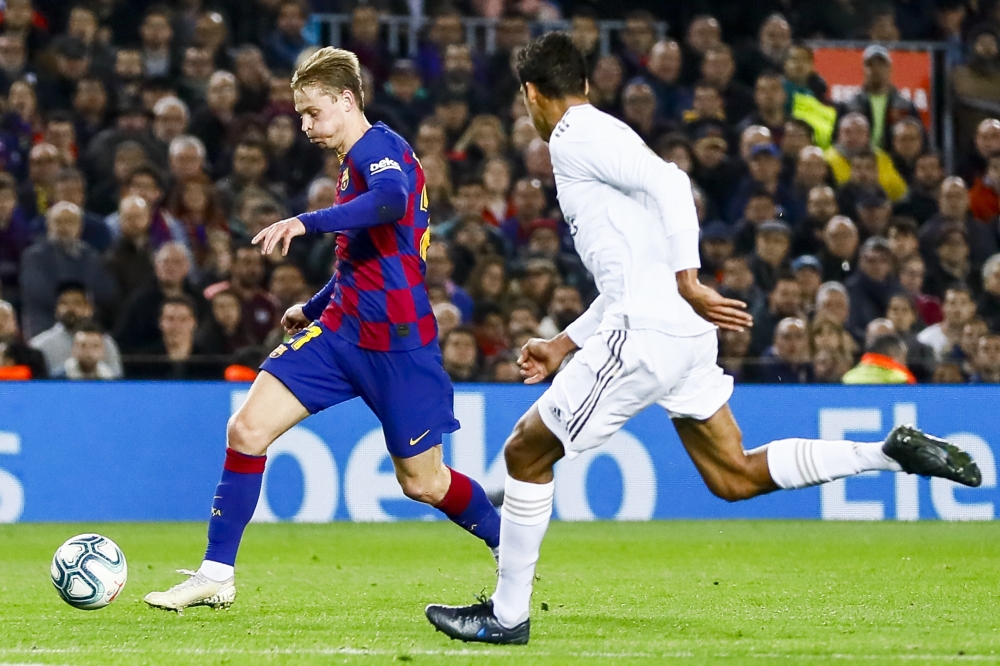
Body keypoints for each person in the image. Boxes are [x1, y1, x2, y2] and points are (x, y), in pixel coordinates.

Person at [423, 32, 982, 646]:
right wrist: (565, 344)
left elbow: (672, 181)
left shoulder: (576, 135)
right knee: (733, 475)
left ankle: (506, 617)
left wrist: (689, 276)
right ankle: (885, 452)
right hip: (678, 333)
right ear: (583, 81)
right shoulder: (600, 137)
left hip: (651, 329)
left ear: (531, 93)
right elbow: (628, 273)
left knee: (525, 454)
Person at [144, 48, 501, 612]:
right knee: (247, 430)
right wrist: (313, 307)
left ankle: (511, 548)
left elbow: (391, 202)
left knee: (424, 483)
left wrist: (302, 221)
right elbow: (368, 254)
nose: (305, 125)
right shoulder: (349, 160)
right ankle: (217, 574)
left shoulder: (380, 150)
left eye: (312, 112)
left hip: (397, 343)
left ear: (347, 100)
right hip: (339, 334)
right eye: (300, 115)